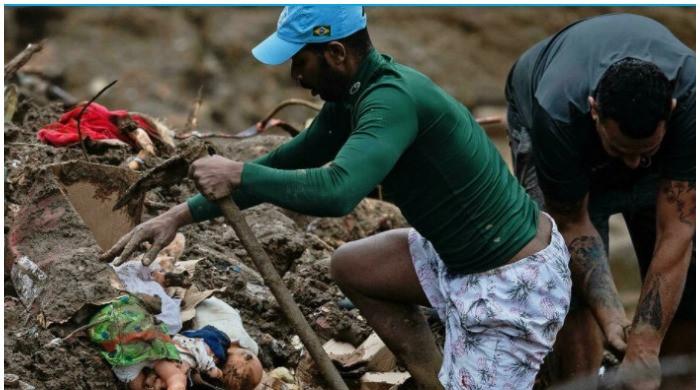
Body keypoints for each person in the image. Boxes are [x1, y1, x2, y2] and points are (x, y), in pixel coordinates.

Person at [103, 6, 572, 389]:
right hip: (456, 256)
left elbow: (339, 191)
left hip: (511, 281)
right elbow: (286, 162)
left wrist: (238, 171)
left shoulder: (390, 101)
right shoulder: (351, 97)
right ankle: (436, 380)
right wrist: (181, 215)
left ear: (335, 52)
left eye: (300, 61)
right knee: (353, 266)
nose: (294, 74)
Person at [504, 13, 695, 389]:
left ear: (671, 112)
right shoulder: (556, 110)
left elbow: (677, 230)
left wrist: (644, 342)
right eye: (620, 149)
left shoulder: (692, 102)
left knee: (691, 281)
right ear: (594, 110)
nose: (633, 164)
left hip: (647, 129)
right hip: (549, 118)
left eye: (646, 151)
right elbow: (574, 223)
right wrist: (612, 320)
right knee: (561, 273)